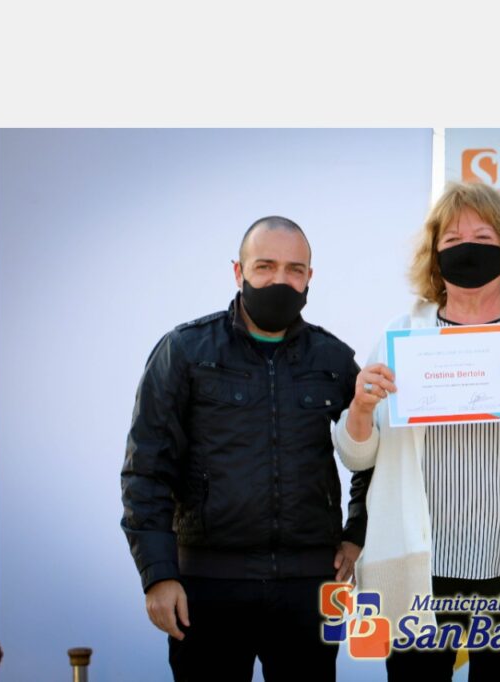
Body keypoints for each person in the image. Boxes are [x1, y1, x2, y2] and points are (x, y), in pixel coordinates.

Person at [333, 182, 500, 681]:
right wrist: (361, 409)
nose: (467, 249)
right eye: (451, 240)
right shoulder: (399, 336)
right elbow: (358, 457)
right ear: (434, 256)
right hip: (416, 573)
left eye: (482, 237)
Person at [120, 216, 372, 682]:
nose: (280, 280)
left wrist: (357, 533)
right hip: (207, 587)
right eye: (265, 266)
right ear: (238, 272)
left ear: (310, 278)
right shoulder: (184, 351)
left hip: (308, 589)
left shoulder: (333, 359)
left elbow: (373, 455)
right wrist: (158, 574)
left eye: (295, 270)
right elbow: (147, 470)